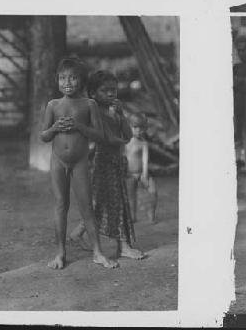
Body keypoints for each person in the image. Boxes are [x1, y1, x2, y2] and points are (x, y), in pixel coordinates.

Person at [40, 59, 118, 270]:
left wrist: (79, 126)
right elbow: (44, 136)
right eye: (63, 78)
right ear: (57, 80)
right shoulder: (53, 105)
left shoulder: (89, 104)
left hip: (80, 162)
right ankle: (60, 253)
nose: (67, 82)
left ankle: (98, 253)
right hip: (58, 162)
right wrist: (55, 127)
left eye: (73, 78)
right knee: (60, 205)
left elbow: (100, 135)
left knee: (86, 208)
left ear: (81, 81)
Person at [69, 70, 145, 260]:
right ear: (93, 94)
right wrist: (120, 140)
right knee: (115, 204)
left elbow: (128, 135)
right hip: (104, 162)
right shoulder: (95, 113)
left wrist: (121, 115)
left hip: (117, 161)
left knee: (102, 203)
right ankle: (124, 246)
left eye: (113, 90)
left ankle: (78, 233)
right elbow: (108, 138)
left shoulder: (114, 111)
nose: (111, 94)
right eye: (105, 90)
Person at [125, 113, 158, 224]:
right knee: (131, 196)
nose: (138, 131)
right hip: (129, 173)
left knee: (153, 191)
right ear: (129, 127)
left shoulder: (144, 143)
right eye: (135, 128)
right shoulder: (125, 142)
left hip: (142, 172)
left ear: (144, 129)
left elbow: (145, 160)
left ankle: (151, 215)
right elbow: (122, 157)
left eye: (141, 128)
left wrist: (144, 174)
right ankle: (132, 217)